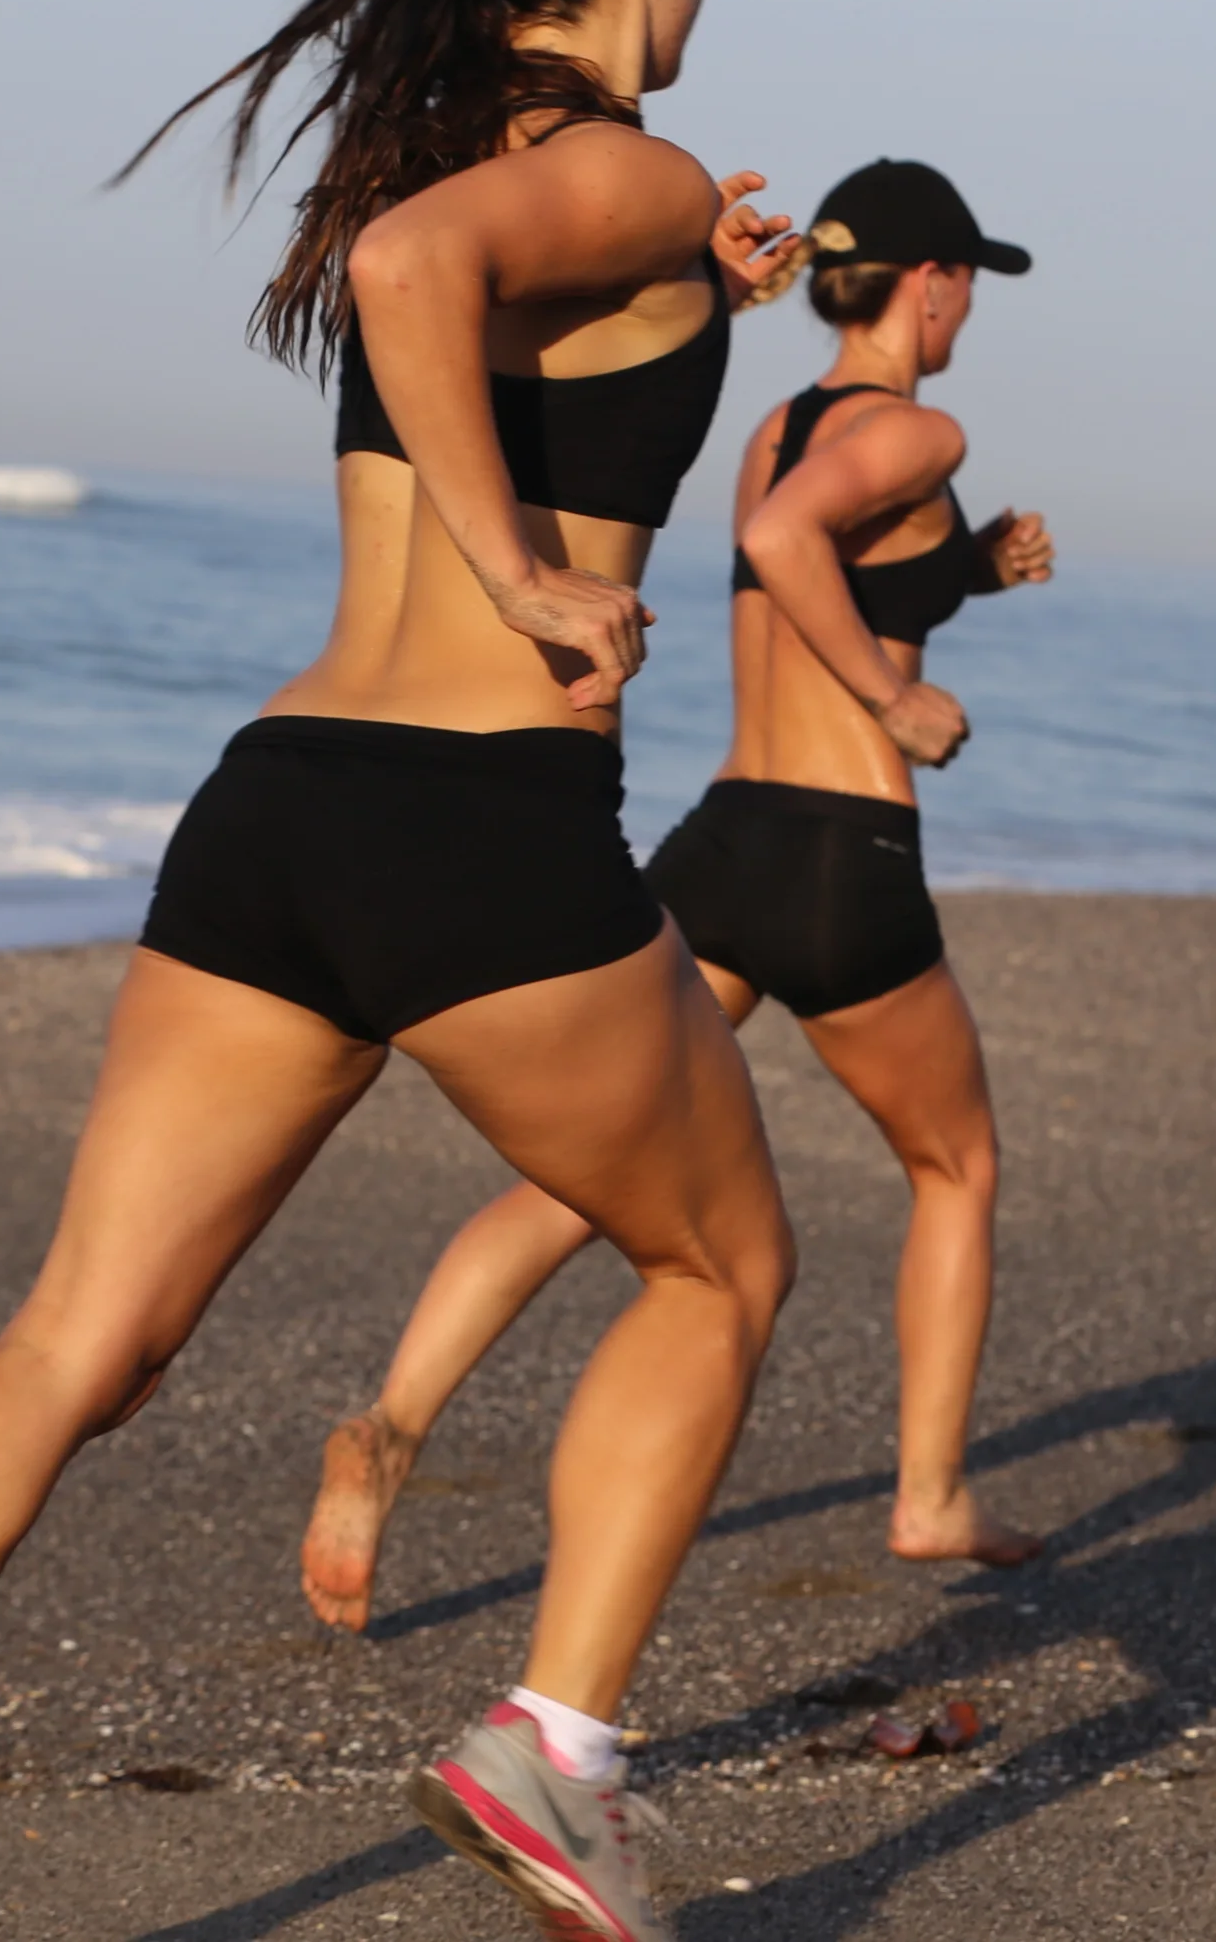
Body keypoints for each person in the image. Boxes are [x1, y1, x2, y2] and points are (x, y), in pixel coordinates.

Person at [0, 0, 799, 1942]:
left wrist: (696, 310)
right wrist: (529, 573)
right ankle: (549, 1752)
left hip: (280, 814)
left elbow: (453, 281)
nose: (704, 6)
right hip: (481, 828)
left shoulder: (462, 146)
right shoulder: (623, 173)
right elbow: (412, 276)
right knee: (721, 1261)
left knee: (75, 1340)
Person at [302, 158, 1055, 1642]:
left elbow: (811, 554)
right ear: (931, 279)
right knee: (956, 1166)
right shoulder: (925, 423)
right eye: (969, 278)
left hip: (726, 845)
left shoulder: (783, 428)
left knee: (585, 1176)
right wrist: (897, 712)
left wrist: (966, 567)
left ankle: (391, 1420)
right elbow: (795, 561)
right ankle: (931, 1496)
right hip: (846, 858)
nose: (970, 306)